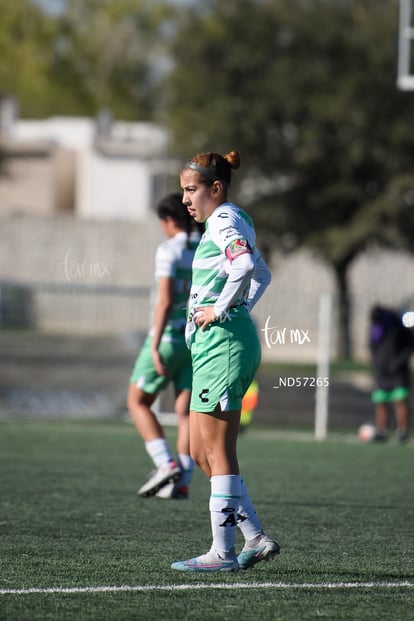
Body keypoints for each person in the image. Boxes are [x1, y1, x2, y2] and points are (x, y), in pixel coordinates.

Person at [171, 149, 279, 573]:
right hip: (218, 345)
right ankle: (254, 538)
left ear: (216, 189)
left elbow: (247, 264)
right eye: (183, 191)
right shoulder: (234, 219)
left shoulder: (223, 220)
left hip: (223, 345)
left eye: (191, 189)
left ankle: (224, 552)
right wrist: (238, 308)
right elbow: (263, 274)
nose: (185, 199)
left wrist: (221, 311)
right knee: (201, 451)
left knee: (218, 450)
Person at [127, 193, 202, 499]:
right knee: (185, 411)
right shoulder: (204, 246)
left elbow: (166, 300)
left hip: (170, 337)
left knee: (137, 401)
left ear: (170, 220)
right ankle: (181, 481)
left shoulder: (169, 250)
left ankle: (164, 464)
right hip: (196, 341)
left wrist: (155, 344)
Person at [369, 305, 413, 443]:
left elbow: (409, 345)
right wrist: (378, 363)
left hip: (398, 372)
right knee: (380, 400)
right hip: (382, 372)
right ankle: (381, 430)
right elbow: (372, 346)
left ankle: (402, 431)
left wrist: (399, 362)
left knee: (400, 400)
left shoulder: (399, 328)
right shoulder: (376, 329)